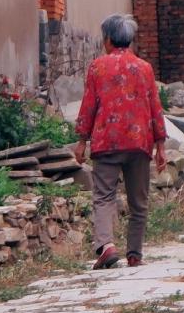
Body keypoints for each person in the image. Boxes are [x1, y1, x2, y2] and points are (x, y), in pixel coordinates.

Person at [72, 14, 168, 270]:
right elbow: (155, 107)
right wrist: (161, 145)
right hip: (139, 142)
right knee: (139, 201)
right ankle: (134, 253)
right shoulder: (145, 68)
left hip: (107, 143)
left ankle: (106, 247)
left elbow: (89, 105)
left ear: (109, 39)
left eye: (104, 37)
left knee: (103, 196)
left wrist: (81, 140)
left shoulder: (97, 67)